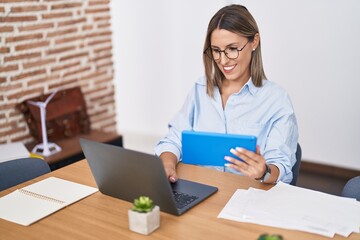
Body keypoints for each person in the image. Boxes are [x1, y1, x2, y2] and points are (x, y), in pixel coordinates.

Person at [154, 4, 298, 184]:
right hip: (202, 191)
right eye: (216, 50)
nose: (223, 60)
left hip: (247, 198)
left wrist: (264, 171)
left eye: (232, 48)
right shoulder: (200, 89)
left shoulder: (276, 100)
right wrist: (167, 165)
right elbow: (174, 139)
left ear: (254, 41)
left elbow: (281, 167)